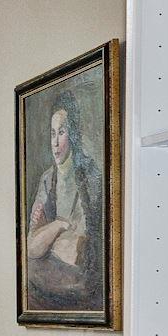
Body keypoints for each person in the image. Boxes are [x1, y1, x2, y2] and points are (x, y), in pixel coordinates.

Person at [25, 90, 102, 311]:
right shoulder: (48, 179)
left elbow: (75, 251)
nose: (55, 143)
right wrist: (59, 225)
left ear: (74, 134)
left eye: (62, 132)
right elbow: (31, 249)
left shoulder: (90, 176)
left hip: (78, 286)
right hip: (45, 284)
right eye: (52, 133)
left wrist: (45, 233)